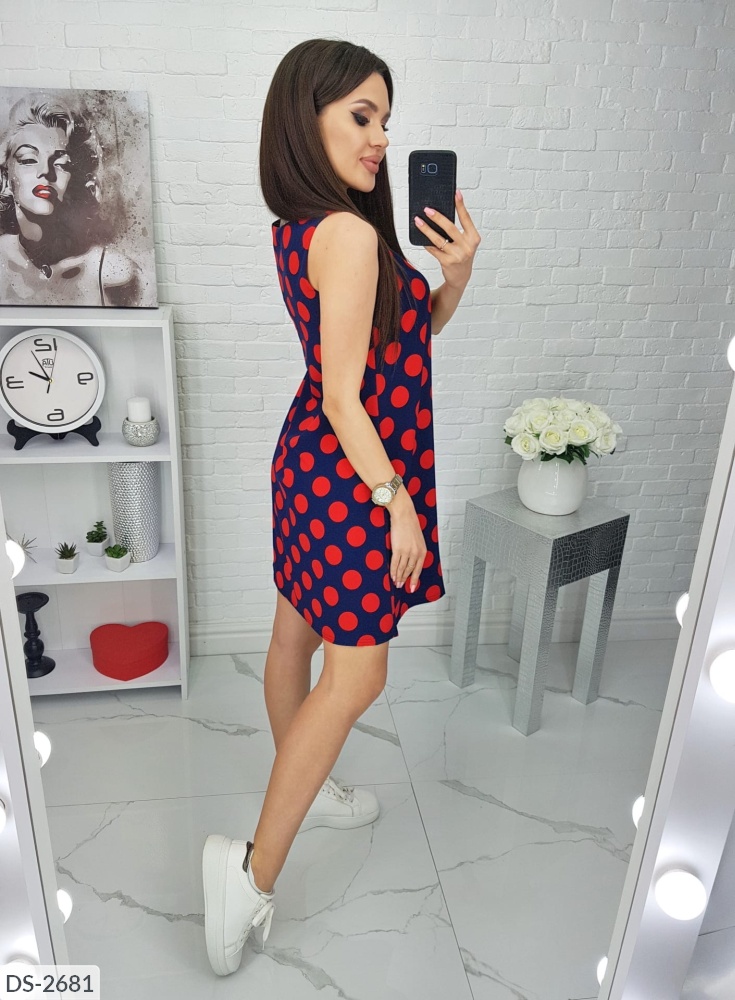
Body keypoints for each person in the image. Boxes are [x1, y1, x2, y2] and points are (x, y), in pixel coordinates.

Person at [202, 38, 481, 978]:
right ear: (306, 115)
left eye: (385, 121)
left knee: (296, 635)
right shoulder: (351, 235)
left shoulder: (311, 224)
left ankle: (304, 777)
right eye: (361, 116)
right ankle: (248, 874)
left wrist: (453, 283)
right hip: (354, 474)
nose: (380, 138)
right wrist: (395, 503)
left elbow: (393, 342)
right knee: (356, 677)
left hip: (315, 469)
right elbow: (343, 394)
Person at [0, 95, 142, 306]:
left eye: (60, 163)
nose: (45, 172)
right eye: (29, 160)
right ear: (6, 178)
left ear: (75, 178)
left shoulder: (112, 274)